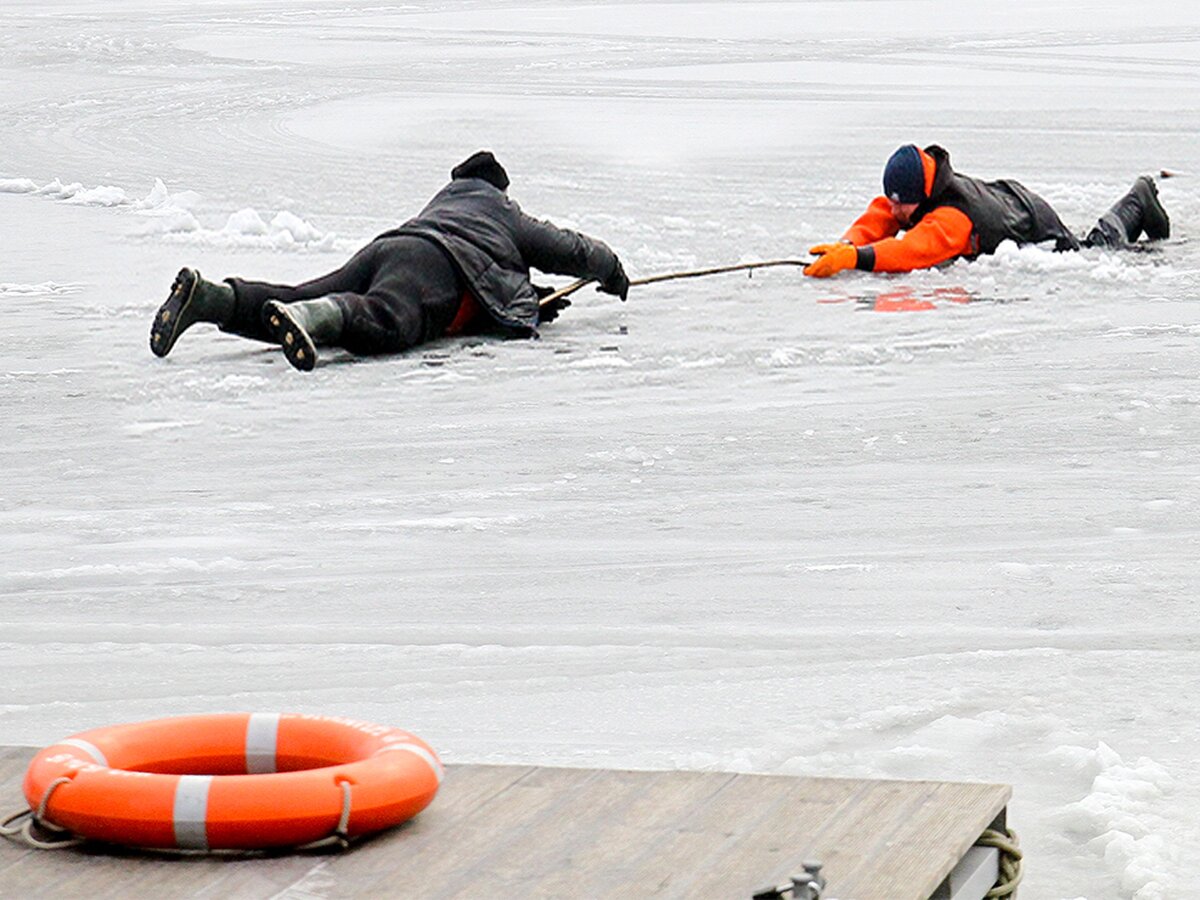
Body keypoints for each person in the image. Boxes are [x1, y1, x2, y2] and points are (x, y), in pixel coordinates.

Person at [150, 151, 630, 370]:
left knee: (296, 295)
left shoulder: (442, 202)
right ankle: (313, 319)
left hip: (388, 247)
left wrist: (528, 299)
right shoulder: (501, 211)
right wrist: (611, 270)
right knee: (390, 319)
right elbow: (569, 248)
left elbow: (497, 280)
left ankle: (209, 298)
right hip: (439, 266)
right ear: (500, 188)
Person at [804, 143, 1170, 278]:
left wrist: (855, 259)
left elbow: (911, 251)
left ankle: (1139, 197)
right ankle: (1138, 199)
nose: (895, 209)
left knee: (1099, 248)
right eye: (893, 199)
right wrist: (844, 246)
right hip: (1007, 199)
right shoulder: (920, 189)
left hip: (1033, 225)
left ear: (922, 192)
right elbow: (879, 215)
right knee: (1097, 244)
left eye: (903, 202)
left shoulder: (950, 219)